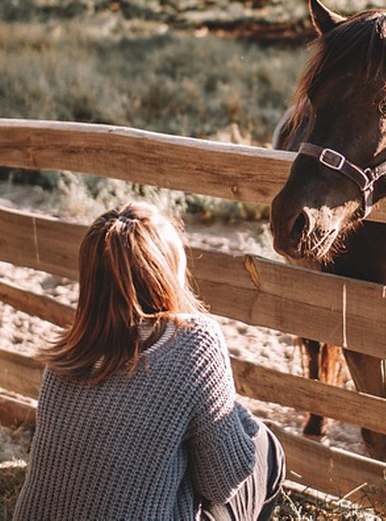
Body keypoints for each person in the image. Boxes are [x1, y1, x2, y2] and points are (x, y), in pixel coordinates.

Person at [14, 202, 285, 520]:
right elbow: (222, 483)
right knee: (269, 451)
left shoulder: (68, 353)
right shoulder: (193, 341)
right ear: (165, 271)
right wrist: (235, 416)